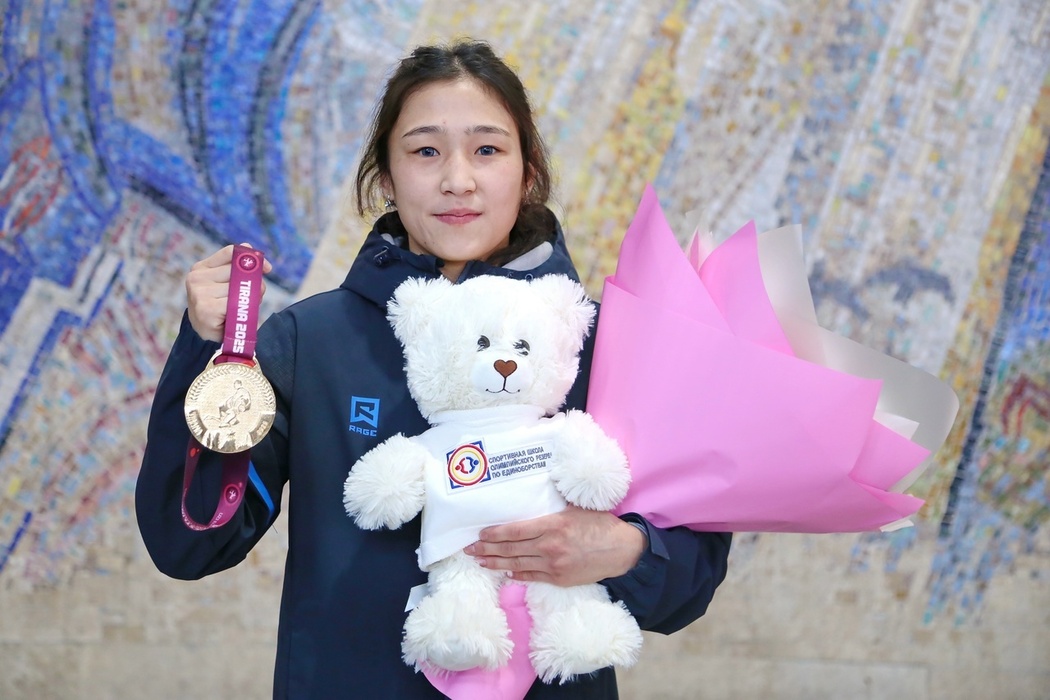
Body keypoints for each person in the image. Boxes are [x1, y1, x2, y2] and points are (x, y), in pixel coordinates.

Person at [136, 40, 732, 699]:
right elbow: (189, 543)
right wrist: (205, 351)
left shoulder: (599, 342)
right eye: (425, 151)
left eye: (487, 149)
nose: (458, 180)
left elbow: (691, 582)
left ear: (528, 172)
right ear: (386, 178)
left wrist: (627, 551)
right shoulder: (310, 342)